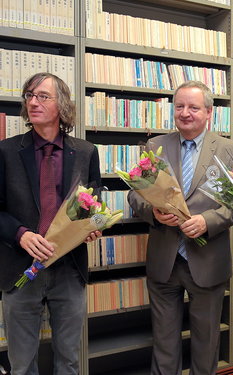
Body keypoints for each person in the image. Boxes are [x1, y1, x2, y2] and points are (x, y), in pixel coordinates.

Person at [128, 81, 233, 375]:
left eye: (193, 107)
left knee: (206, 343)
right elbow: (134, 193)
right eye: (179, 106)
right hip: (165, 260)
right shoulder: (155, 146)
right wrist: (153, 211)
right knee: (164, 342)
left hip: (208, 262)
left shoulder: (230, 150)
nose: (185, 113)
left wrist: (209, 221)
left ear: (209, 112)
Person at [0, 72, 102, 374]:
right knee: (21, 364)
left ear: (62, 105)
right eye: (29, 95)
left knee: (69, 361)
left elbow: (93, 205)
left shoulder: (86, 152)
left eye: (42, 96)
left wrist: (93, 225)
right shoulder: (6, 151)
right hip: (20, 269)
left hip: (69, 270)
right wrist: (21, 235)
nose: (33, 102)